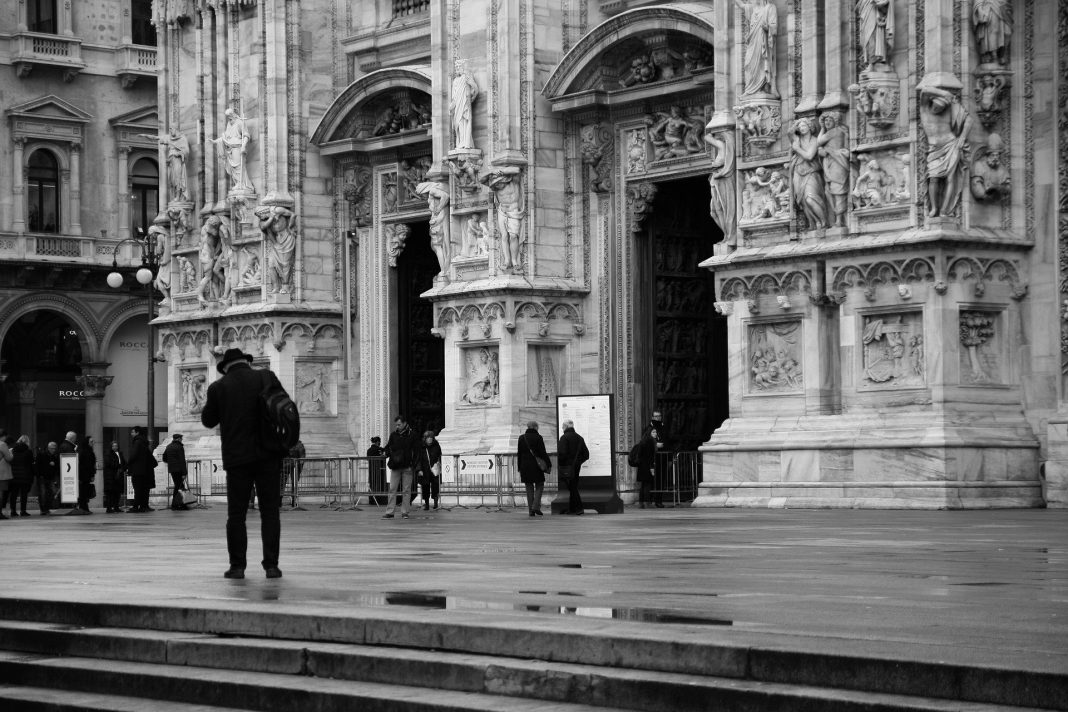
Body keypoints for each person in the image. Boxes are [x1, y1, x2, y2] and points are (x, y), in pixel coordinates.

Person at [201, 348, 290, 579]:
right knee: (270, 512)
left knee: (237, 515)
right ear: (247, 362)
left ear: (225, 367)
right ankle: (271, 565)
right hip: (268, 455)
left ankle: (237, 566)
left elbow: (208, 420)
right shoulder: (266, 377)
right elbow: (283, 404)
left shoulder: (219, 387)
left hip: (237, 458)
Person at [735, 0, 779, 97]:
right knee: (748, 63)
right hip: (753, 42)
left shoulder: (770, 8)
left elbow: (774, 29)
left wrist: (767, 28)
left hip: (763, 42)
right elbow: (741, 5)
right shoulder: (752, 8)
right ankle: (750, 89)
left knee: (761, 63)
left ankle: (763, 88)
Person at [382, 415, 419, 520]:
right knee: (392, 489)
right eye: (396, 425)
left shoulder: (412, 435)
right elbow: (389, 446)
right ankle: (390, 511)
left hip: (407, 466)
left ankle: (405, 512)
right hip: (396, 466)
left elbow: (417, 451)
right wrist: (387, 452)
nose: (397, 426)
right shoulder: (393, 435)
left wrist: (413, 465)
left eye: (399, 424)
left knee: (406, 490)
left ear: (404, 423)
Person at [557, 420, 590, 515]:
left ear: (566, 427)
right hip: (576, 467)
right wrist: (578, 462)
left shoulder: (564, 438)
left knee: (572, 488)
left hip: (566, 467)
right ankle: (572, 509)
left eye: (563, 426)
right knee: (573, 486)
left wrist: (562, 464)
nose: (562, 428)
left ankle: (579, 508)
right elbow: (586, 454)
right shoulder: (580, 438)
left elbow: (562, 454)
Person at [517, 421, 549, 517]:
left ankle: (531, 510)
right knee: (540, 485)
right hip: (536, 466)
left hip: (525, 466)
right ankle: (535, 506)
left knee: (529, 487)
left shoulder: (521, 438)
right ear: (535, 427)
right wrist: (548, 463)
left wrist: (519, 467)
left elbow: (519, 454)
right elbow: (543, 452)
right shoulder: (538, 437)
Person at [127, 425, 156, 513]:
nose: (131, 434)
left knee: (137, 489)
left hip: (137, 470)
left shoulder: (137, 442)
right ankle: (144, 506)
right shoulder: (144, 443)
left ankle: (136, 506)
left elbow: (134, 455)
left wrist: (127, 464)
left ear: (137, 432)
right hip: (146, 471)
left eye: (132, 432)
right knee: (144, 489)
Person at [414, 430, 442, 511]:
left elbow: (439, 456)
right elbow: (418, 459)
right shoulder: (421, 447)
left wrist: (439, 465)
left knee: (435, 486)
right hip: (424, 469)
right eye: (428, 438)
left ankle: (436, 502)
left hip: (434, 469)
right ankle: (426, 504)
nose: (430, 439)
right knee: (425, 486)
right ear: (425, 439)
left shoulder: (436, 446)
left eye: (431, 438)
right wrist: (419, 469)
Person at [9, 435, 35, 517]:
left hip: (14, 475)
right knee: (24, 494)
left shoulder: (13, 450)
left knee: (14, 494)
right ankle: (23, 511)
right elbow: (31, 464)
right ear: (27, 442)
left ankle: (13, 511)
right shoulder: (29, 451)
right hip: (25, 475)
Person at [163, 433, 190, 511]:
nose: (182, 440)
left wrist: (171, 462)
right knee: (179, 487)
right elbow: (182, 460)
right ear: (178, 439)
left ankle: (180, 504)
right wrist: (184, 473)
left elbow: (164, 458)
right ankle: (176, 505)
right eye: (181, 438)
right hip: (179, 470)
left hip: (172, 469)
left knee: (179, 486)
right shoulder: (179, 447)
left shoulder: (168, 446)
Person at [648, 411, 669, 508]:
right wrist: (655, 445)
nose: (658, 418)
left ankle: (658, 500)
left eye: (659, 416)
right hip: (653, 457)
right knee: (652, 479)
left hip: (663, 457)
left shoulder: (664, 427)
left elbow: (667, 440)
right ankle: (647, 500)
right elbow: (645, 441)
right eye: (656, 416)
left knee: (661, 479)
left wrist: (669, 458)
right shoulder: (649, 428)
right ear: (652, 417)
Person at [634, 426, 657, 510]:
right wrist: (652, 467)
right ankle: (647, 503)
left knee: (643, 485)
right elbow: (650, 456)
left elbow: (640, 454)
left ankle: (641, 503)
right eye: (653, 432)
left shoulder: (643, 441)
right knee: (647, 485)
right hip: (647, 466)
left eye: (655, 432)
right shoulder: (651, 442)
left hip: (641, 466)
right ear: (649, 433)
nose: (655, 434)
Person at [73, 436, 96, 514]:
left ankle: (85, 508)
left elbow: (92, 464)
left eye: (93, 441)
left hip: (87, 475)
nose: (93, 443)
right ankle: (84, 508)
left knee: (85, 492)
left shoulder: (89, 451)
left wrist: (92, 474)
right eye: (91, 442)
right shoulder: (83, 452)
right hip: (83, 475)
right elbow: (82, 465)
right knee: (83, 492)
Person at [103, 440, 126, 514]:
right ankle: (109, 508)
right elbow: (108, 463)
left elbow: (124, 463)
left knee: (117, 492)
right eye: (113, 446)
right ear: (111, 446)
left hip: (119, 475)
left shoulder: (120, 453)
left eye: (116, 446)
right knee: (110, 493)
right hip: (111, 476)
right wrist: (118, 466)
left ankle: (116, 507)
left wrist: (123, 467)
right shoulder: (108, 453)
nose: (115, 447)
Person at [36, 442, 60, 515]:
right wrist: (39, 475)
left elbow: (57, 466)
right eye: (52, 449)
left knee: (52, 492)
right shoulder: (41, 454)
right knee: (43, 493)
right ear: (48, 448)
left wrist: (54, 465)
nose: (53, 450)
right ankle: (43, 509)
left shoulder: (55, 456)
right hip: (42, 477)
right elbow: (37, 466)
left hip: (51, 477)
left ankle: (47, 507)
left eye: (54, 449)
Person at [285, 439, 305, 508]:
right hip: (286, 466)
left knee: (294, 483)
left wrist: (299, 467)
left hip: (294, 466)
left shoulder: (298, 444)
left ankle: (294, 500)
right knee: (282, 484)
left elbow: (302, 457)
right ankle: (279, 501)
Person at [366, 436, 386, 506]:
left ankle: (371, 500)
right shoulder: (379, 450)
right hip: (379, 470)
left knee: (372, 484)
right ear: (378, 442)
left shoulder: (369, 450)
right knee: (379, 485)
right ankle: (379, 500)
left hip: (371, 470)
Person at [0, 431, 12, 520]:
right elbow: (9, 458)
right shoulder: (2, 444)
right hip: (1, 474)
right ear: (3, 436)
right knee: (0, 494)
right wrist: (10, 452)